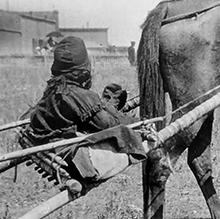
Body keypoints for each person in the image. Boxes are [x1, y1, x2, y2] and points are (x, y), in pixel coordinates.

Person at [23, 36, 145, 184]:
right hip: (70, 158)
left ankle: (114, 108)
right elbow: (108, 125)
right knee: (124, 131)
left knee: (107, 112)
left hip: (49, 143)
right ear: (83, 68)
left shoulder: (53, 89)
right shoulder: (78, 95)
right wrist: (137, 121)